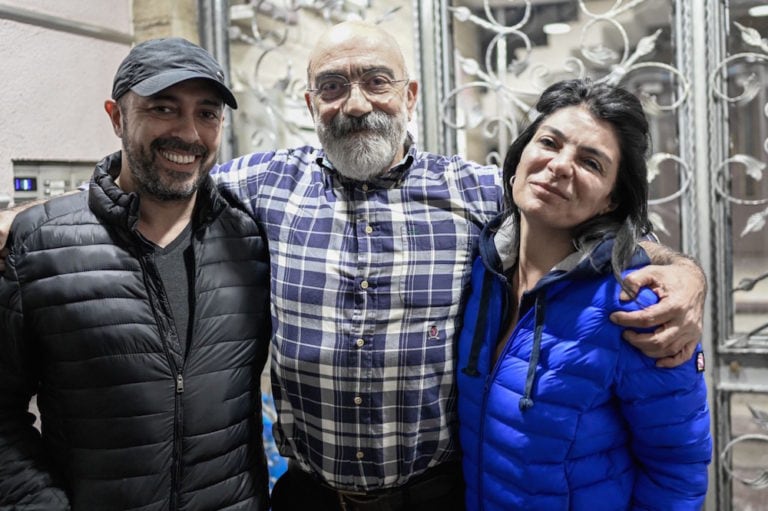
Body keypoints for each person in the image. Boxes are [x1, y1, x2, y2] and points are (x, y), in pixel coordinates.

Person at [0, 21, 706, 511]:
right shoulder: (258, 188)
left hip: (436, 491)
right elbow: (161, 177)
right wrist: (21, 225)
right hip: (306, 494)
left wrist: (684, 273)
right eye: (333, 86)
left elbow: (579, 226)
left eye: (376, 81)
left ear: (410, 96)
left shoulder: (478, 190)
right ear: (310, 105)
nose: (356, 102)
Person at [0, 38, 271, 510]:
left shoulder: (247, 238)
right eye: (163, 108)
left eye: (207, 114)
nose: (188, 133)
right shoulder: (41, 244)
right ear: (116, 116)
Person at [456, 79, 712, 510]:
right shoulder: (483, 272)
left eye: (591, 163)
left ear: (611, 201)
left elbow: (677, 469)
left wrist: (691, 272)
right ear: (519, 158)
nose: (559, 166)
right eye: (549, 143)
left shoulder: (637, 306)